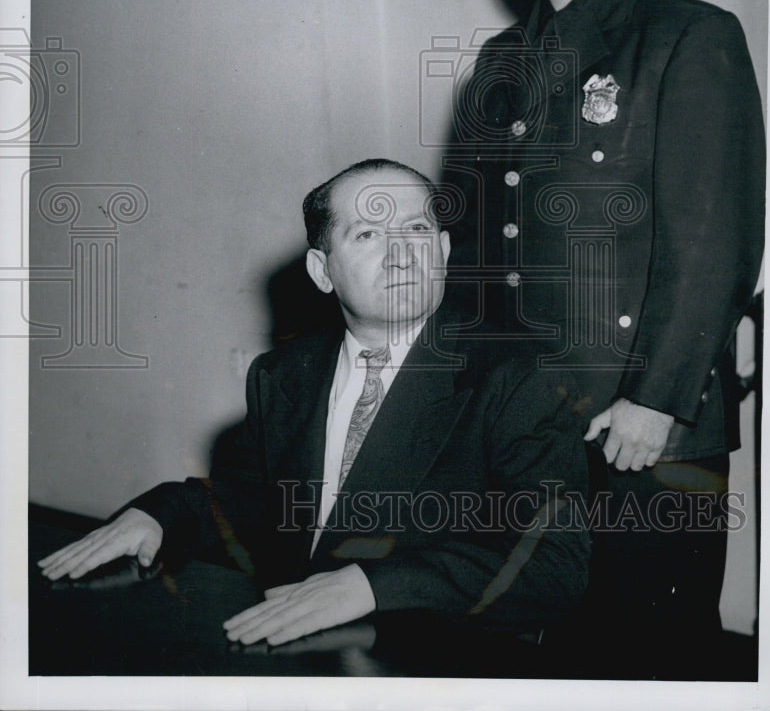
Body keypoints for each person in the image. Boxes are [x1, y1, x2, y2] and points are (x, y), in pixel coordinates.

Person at [441, 0, 765, 677]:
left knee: (648, 657)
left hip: (642, 429)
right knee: (530, 652)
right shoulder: (500, 60)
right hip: (523, 426)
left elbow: (715, 235)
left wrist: (657, 399)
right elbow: (476, 242)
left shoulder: (686, 33)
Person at [40, 158, 590, 651]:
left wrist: (374, 584)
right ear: (321, 272)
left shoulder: (518, 377)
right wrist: (160, 515)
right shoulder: (285, 373)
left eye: (418, 229)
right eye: (369, 233)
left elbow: (552, 563)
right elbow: (254, 502)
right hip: (299, 646)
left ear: (443, 251)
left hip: (433, 652)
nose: (401, 254)